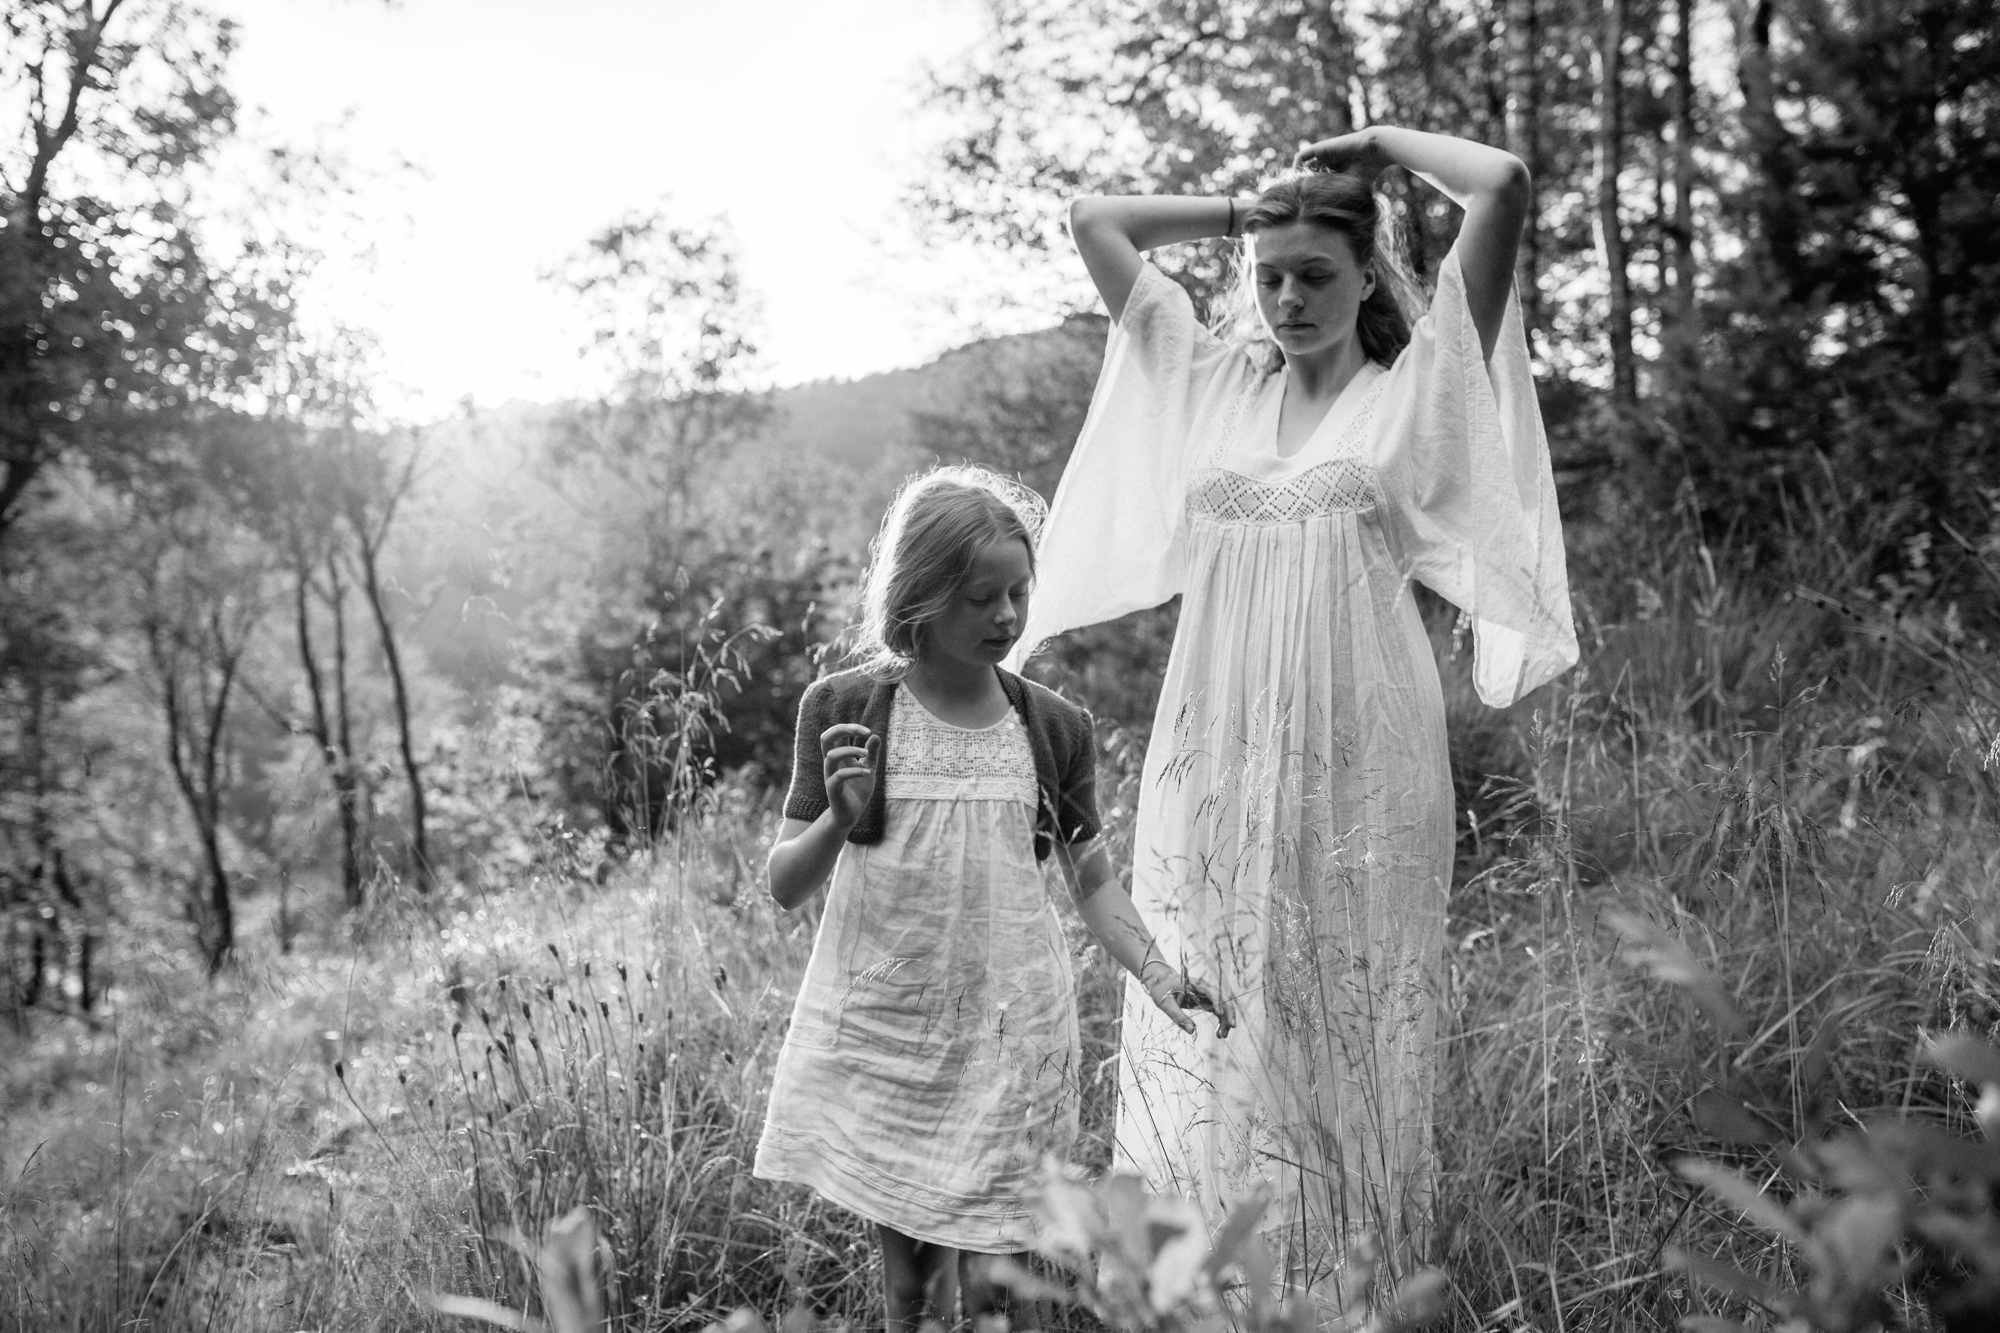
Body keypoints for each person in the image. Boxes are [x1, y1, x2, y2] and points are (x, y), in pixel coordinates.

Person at [1010, 127, 1579, 1292]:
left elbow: (1502, 185)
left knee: (1339, 1006)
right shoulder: (1211, 381)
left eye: (1314, 273)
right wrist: (1251, 210)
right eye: (1268, 277)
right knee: (1206, 990)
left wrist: (1373, 149)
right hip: (1210, 742)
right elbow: (1095, 219)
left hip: (1360, 747)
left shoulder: (1416, 387)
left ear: (1368, 274)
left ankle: (1342, 1282)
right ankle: (1198, 1281)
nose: (1286, 299)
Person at [753, 465, 1230, 1333]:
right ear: (920, 597)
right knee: (912, 1288)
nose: (1007, 615)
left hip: (1014, 1034)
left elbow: (1093, 880)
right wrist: (839, 818)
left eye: (1019, 591)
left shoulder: (1054, 727)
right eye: (981, 598)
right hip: (892, 1037)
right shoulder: (845, 707)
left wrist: (1159, 973)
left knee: (995, 1288)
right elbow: (785, 884)